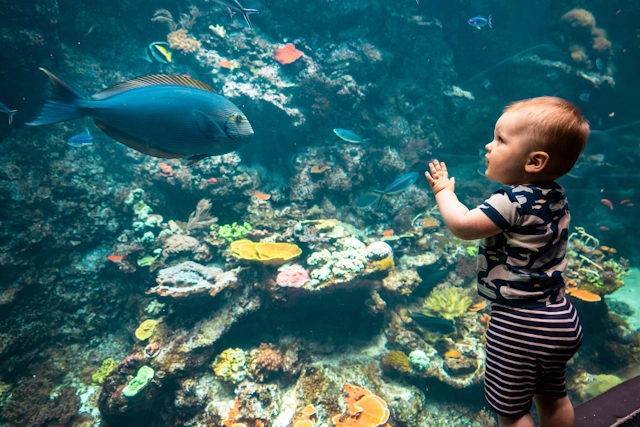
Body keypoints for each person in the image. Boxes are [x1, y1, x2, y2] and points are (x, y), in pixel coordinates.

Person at [425, 96, 589, 427]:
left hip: (519, 324)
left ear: (535, 161)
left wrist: (444, 191)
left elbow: (464, 226)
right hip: (559, 319)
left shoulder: (511, 200)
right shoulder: (557, 196)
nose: (488, 146)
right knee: (553, 397)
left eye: (500, 140)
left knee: (512, 412)